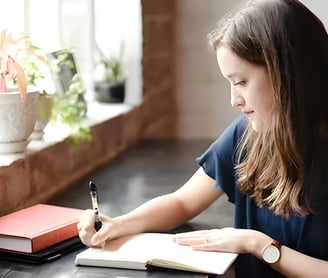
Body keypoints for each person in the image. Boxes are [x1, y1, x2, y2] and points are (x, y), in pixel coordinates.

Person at [77, 0, 328, 277]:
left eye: (241, 82)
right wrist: (120, 224)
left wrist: (258, 244)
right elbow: (182, 202)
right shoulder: (246, 135)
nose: (234, 100)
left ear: (287, 72)